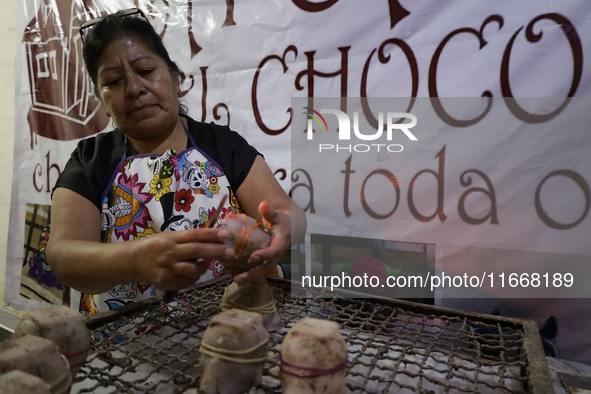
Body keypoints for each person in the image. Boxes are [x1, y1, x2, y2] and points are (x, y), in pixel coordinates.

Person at [45, 8, 306, 314]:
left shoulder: (222, 145)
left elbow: (288, 214)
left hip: (239, 328)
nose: (134, 88)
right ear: (102, 101)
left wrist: (284, 228)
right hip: (126, 345)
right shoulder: (91, 160)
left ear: (176, 79)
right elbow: (63, 256)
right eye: (114, 81)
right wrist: (134, 259)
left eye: (145, 71)